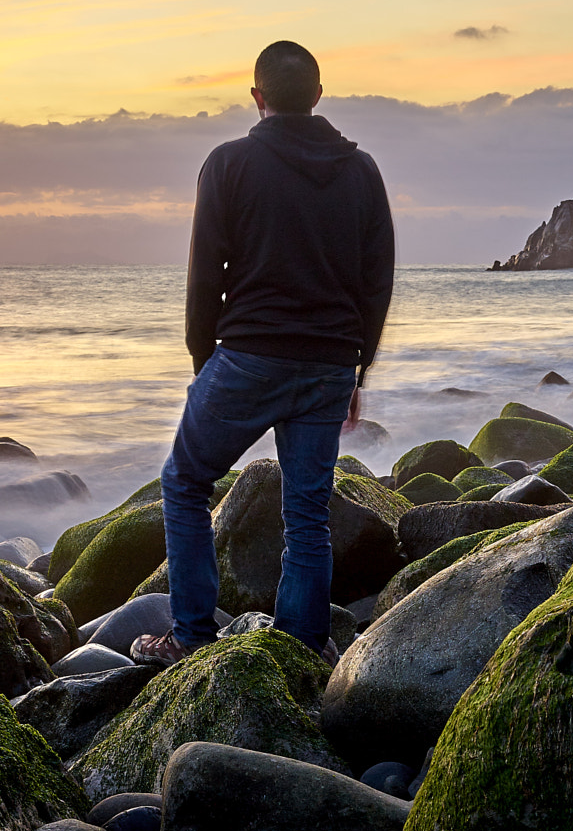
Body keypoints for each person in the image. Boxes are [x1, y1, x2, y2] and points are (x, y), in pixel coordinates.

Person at [132, 40, 394, 667]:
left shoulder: (229, 164)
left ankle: (192, 635)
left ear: (257, 98)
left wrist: (205, 366)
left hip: (249, 357)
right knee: (307, 510)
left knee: (187, 482)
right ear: (319, 96)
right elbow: (376, 280)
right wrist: (358, 366)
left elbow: (204, 277)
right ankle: (302, 647)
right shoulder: (362, 173)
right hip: (328, 362)